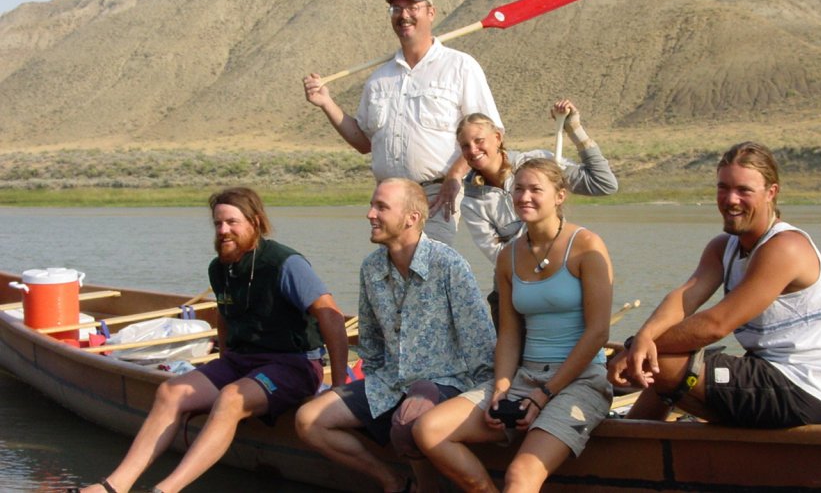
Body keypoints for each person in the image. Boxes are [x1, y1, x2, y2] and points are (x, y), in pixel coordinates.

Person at [79, 187, 348, 493]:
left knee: (231, 398)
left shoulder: (285, 264)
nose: (224, 231)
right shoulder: (219, 268)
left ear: (255, 222)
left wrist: (337, 385)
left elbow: (332, 317)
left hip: (293, 364)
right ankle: (113, 486)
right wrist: (221, 365)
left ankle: (165, 490)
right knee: (170, 392)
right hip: (241, 361)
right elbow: (224, 316)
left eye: (232, 222)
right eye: (218, 224)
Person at [607, 141, 821, 428]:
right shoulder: (723, 247)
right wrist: (644, 336)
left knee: (661, 364)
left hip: (801, 389)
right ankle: (636, 438)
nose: (731, 199)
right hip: (766, 371)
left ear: (771, 193)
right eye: (723, 188)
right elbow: (685, 297)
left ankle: (633, 450)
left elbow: (716, 325)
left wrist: (636, 349)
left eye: (744, 190)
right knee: (658, 359)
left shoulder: (785, 248)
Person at [413, 159, 614, 492]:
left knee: (521, 476)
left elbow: (598, 333)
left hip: (579, 380)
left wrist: (543, 395)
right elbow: (508, 334)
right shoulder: (508, 256)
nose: (525, 197)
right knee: (428, 430)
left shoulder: (587, 247)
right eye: (518, 189)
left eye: (536, 189)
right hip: (524, 376)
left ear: (560, 195)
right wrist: (502, 390)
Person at [295, 178, 496, 492]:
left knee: (407, 421)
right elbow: (371, 341)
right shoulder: (371, 268)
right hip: (389, 381)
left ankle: (428, 489)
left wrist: (486, 402)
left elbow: (480, 342)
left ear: (411, 218)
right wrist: (372, 382)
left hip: (446, 383)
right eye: (372, 205)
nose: (369, 214)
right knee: (308, 420)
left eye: (381, 207)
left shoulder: (448, 265)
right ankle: (394, 483)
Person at [303, 0, 502, 246]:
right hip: (389, 197)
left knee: (429, 267)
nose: (404, 15)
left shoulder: (460, 67)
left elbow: (491, 133)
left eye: (412, 7)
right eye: (397, 8)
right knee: (392, 274)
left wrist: (454, 176)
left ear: (431, 12)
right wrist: (326, 103)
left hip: (436, 194)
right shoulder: (378, 79)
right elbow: (364, 142)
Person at [459, 98, 619, 265]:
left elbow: (603, 183)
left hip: (561, 266)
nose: (473, 150)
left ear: (498, 138)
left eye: (479, 141)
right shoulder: (471, 202)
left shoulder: (538, 162)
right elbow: (500, 258)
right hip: (515, 281)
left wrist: (574, 129)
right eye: (465, 146)